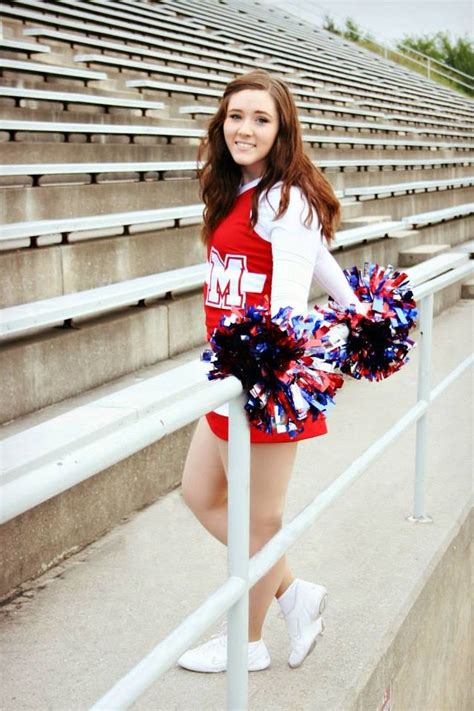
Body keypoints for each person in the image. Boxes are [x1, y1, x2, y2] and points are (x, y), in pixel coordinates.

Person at [178, 69, 369, 673]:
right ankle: (293, 592)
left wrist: (273, 359)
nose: (245, 128)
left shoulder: (285, 199)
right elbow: (320, 262)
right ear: (222, 122)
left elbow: (287, 299)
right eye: (236, 116)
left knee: (258, 519)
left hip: (262, 382)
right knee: (201, 493)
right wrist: (356, 307)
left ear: (282, 129)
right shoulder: (240, 187)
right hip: (230, 377)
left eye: (261, 119)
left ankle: (249, 643)